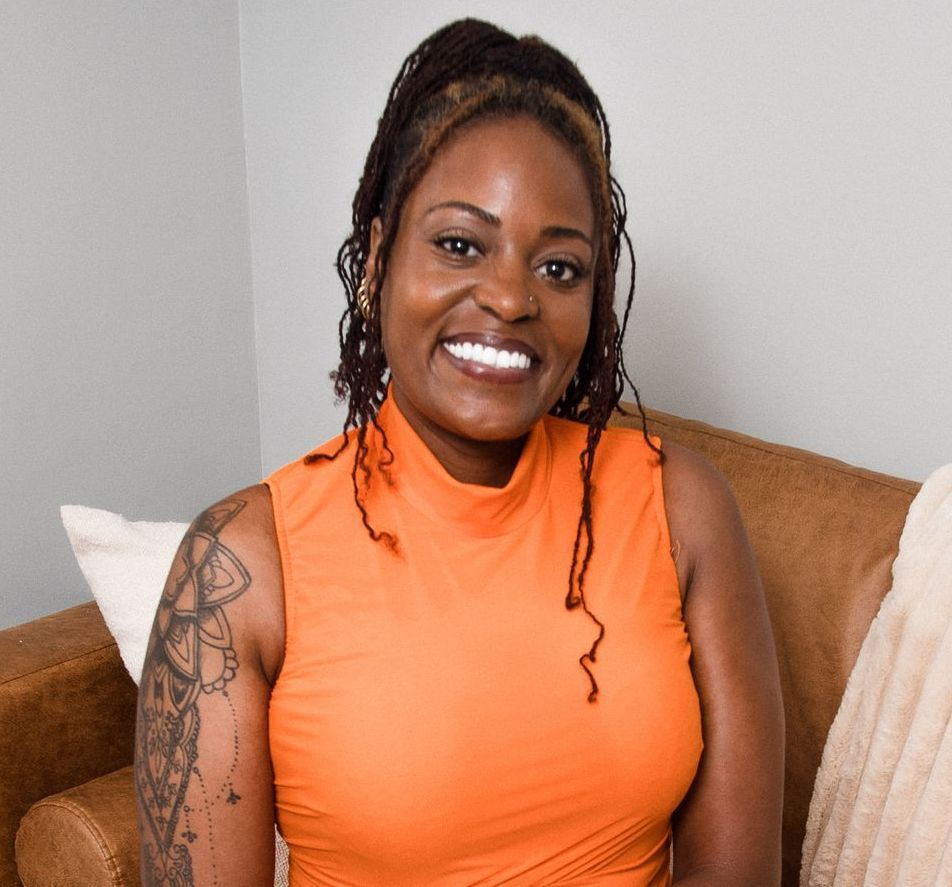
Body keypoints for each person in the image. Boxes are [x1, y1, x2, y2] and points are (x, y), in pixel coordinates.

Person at [134, 19, 784, 886]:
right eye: (459, 245)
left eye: (560, 268)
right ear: (375, 264)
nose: (511, 297)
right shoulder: (243, 568)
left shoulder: (681, 506)